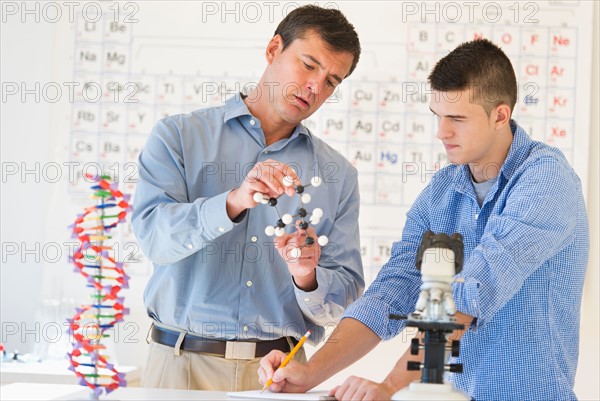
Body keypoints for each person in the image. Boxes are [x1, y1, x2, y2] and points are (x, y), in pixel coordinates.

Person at [259, 38, 590, 401]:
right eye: (438, 116)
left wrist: (388, 386)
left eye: (457, 119)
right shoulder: (442, 191)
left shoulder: (545, 180)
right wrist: (309, 373)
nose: (441, 132)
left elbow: (470, 293)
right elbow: (391, 293)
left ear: (500, 114)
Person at [132, 5, 365, 391]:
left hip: (279, 375)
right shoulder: (178, 137)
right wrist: (232, 202)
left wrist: (306, 277)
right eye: (308, 65)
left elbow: (341, 298)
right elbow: (154, 238)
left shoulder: (339, 175)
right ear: (274, 48)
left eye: (331, 81)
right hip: (179, 369)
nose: (315, 87)